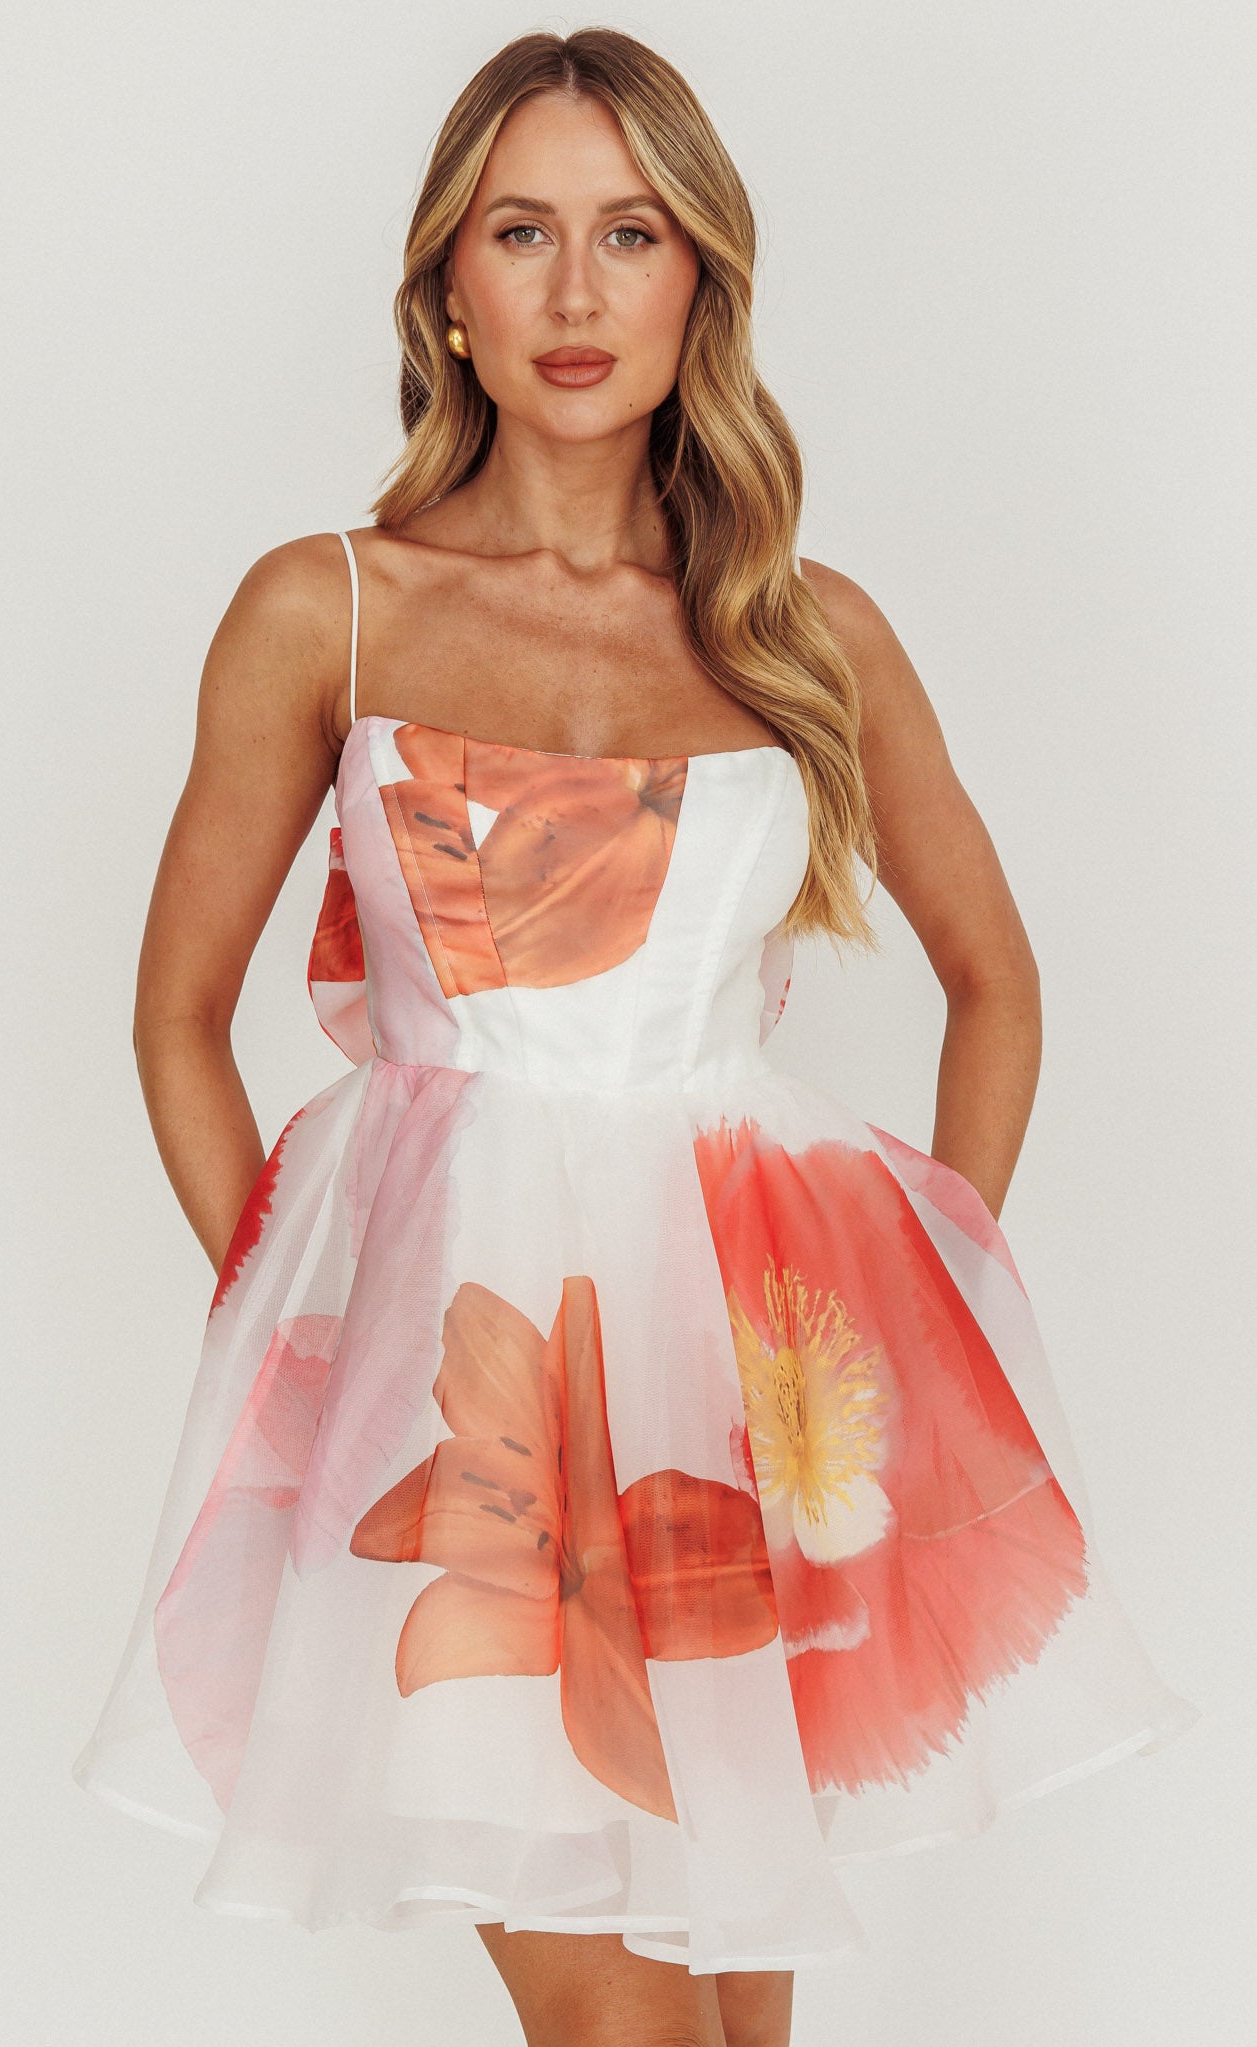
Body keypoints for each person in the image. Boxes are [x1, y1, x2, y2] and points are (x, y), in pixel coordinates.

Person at [72, 27, 1198, 2047]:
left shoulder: (804, 630)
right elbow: (174, 1018)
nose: (576, 291)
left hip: (725, 1422)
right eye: (522, 232)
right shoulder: (324, 612)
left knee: (734, 2036)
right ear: (447, 285)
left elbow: (995, 983)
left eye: (631, 233)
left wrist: (914, 1322)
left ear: (702, 280)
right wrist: (307, 1357)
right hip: (474, 1422)